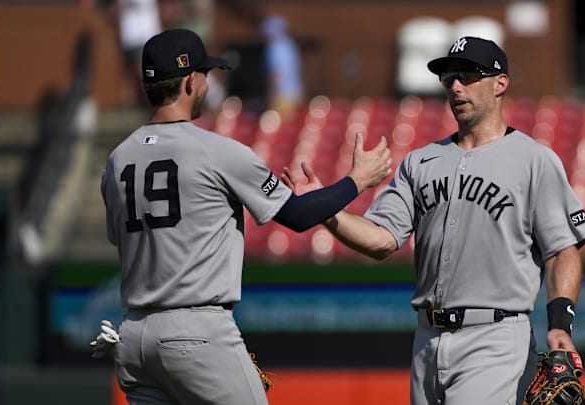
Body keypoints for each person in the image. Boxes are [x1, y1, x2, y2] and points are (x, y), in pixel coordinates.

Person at [282, 36, 585, 405]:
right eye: (449, 78)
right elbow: (383, 239)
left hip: (493, 337)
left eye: (467, 75)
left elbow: (562, 249)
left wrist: (560, 324)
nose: (456, 86)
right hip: (426, 340)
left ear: (500, 83)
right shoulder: (421, 161)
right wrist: (327, 210)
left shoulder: (534, 160)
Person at [99, 28, 392, 404]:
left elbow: (118, 237)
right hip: (197, 331)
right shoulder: (214, 150)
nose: (207, 83)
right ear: (190, 81)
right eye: (205, 74)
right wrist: (357, 180)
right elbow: (299, 216)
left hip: (135, 337)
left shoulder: (118, 158)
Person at [260, 14, 304, 117]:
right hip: (296, 90)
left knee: (280, 125)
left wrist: (270, 94)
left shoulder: (276, 47)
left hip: (283, 93)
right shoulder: (290, 44)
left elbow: (276, 72)